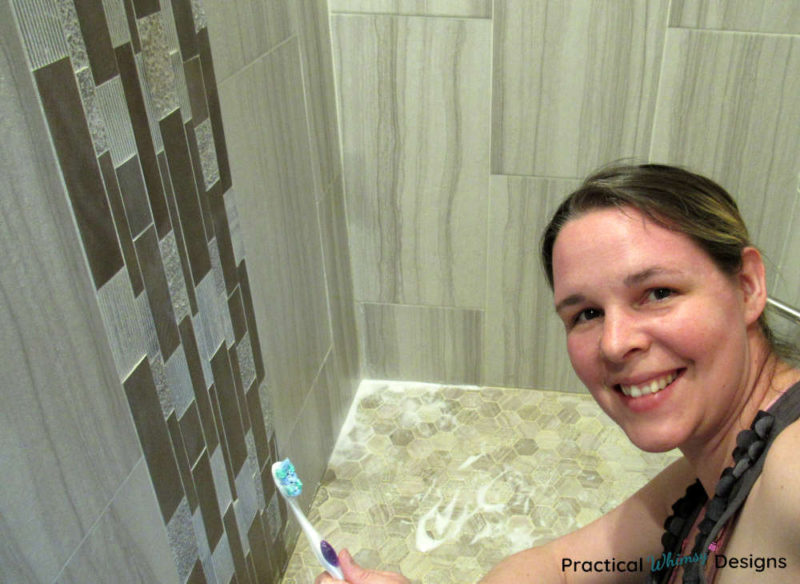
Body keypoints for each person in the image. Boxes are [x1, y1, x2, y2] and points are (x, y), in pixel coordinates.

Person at [316, 164, 800, 584]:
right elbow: (563, 566)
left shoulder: (788, 471)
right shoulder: (714, 468)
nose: (614, 342)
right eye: (586, 314)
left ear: (747, 286)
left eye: (658, 292)